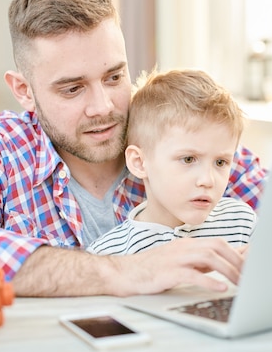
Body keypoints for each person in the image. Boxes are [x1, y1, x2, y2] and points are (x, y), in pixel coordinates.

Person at [0, 0, 267, 297]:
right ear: (23, 91)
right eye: (72, 88)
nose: (103, 106)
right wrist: (120, 272)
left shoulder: (171, 127)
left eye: (114, 77)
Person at [88, 69, 256, 255]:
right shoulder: (109, 255)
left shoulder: (242, 223)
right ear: (139, 162)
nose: (208, 181)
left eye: (220, 162)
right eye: (188, 159)